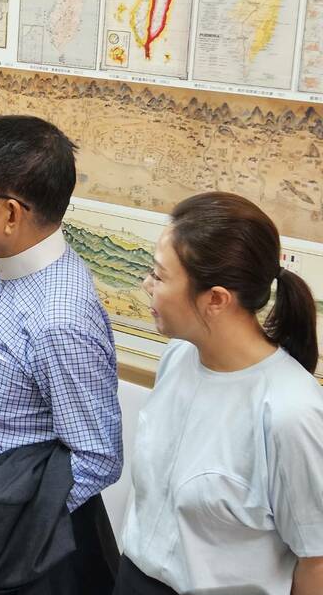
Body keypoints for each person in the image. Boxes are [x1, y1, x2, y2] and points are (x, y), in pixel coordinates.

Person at [0, 115, 123, 593]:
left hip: (0, 534)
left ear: (11, 214)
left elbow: (98, 457)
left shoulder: (61, 319)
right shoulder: (16, 269)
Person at [116, 192, 323, 595]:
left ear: (216, 299)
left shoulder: (291, 413)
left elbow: (315, 559)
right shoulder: (179, 355)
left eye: (159, 276)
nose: (146, 284)